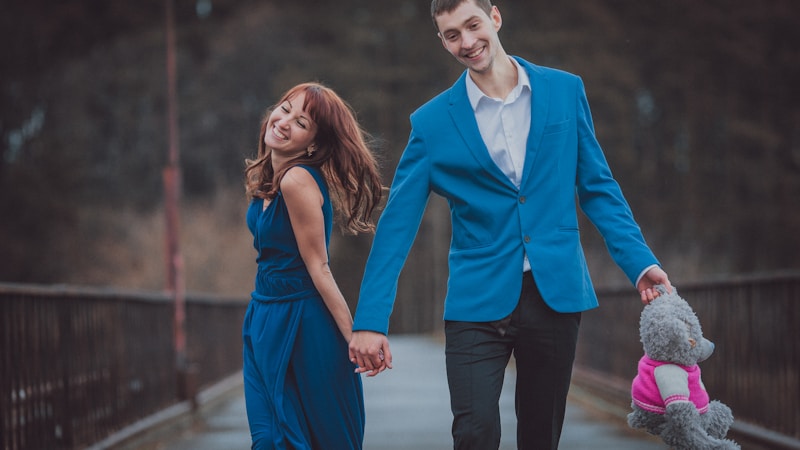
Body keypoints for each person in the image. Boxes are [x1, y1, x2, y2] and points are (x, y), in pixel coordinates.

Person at [348, 1, 672, 449]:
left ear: (495, 18)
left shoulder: (563, 91)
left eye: (473, 25)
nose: (467, 42)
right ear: (441, 41)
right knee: (474, 432)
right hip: (476, 304)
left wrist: (640, 263)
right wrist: (370, 320)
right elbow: (397, 226)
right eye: (452, 34)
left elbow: (597, 188)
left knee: (541, 437)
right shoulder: (431, 123)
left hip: (554, 295)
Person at [243, 82, 383, 450]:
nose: (285, 121)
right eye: (285, 108)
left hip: (303, 326)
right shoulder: (269, 180)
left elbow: (320, 267)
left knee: (312, 439)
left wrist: (355, 336)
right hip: (263, 317)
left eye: (301, 122)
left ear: (314, 144)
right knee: (270, 438)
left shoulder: (296, 179)